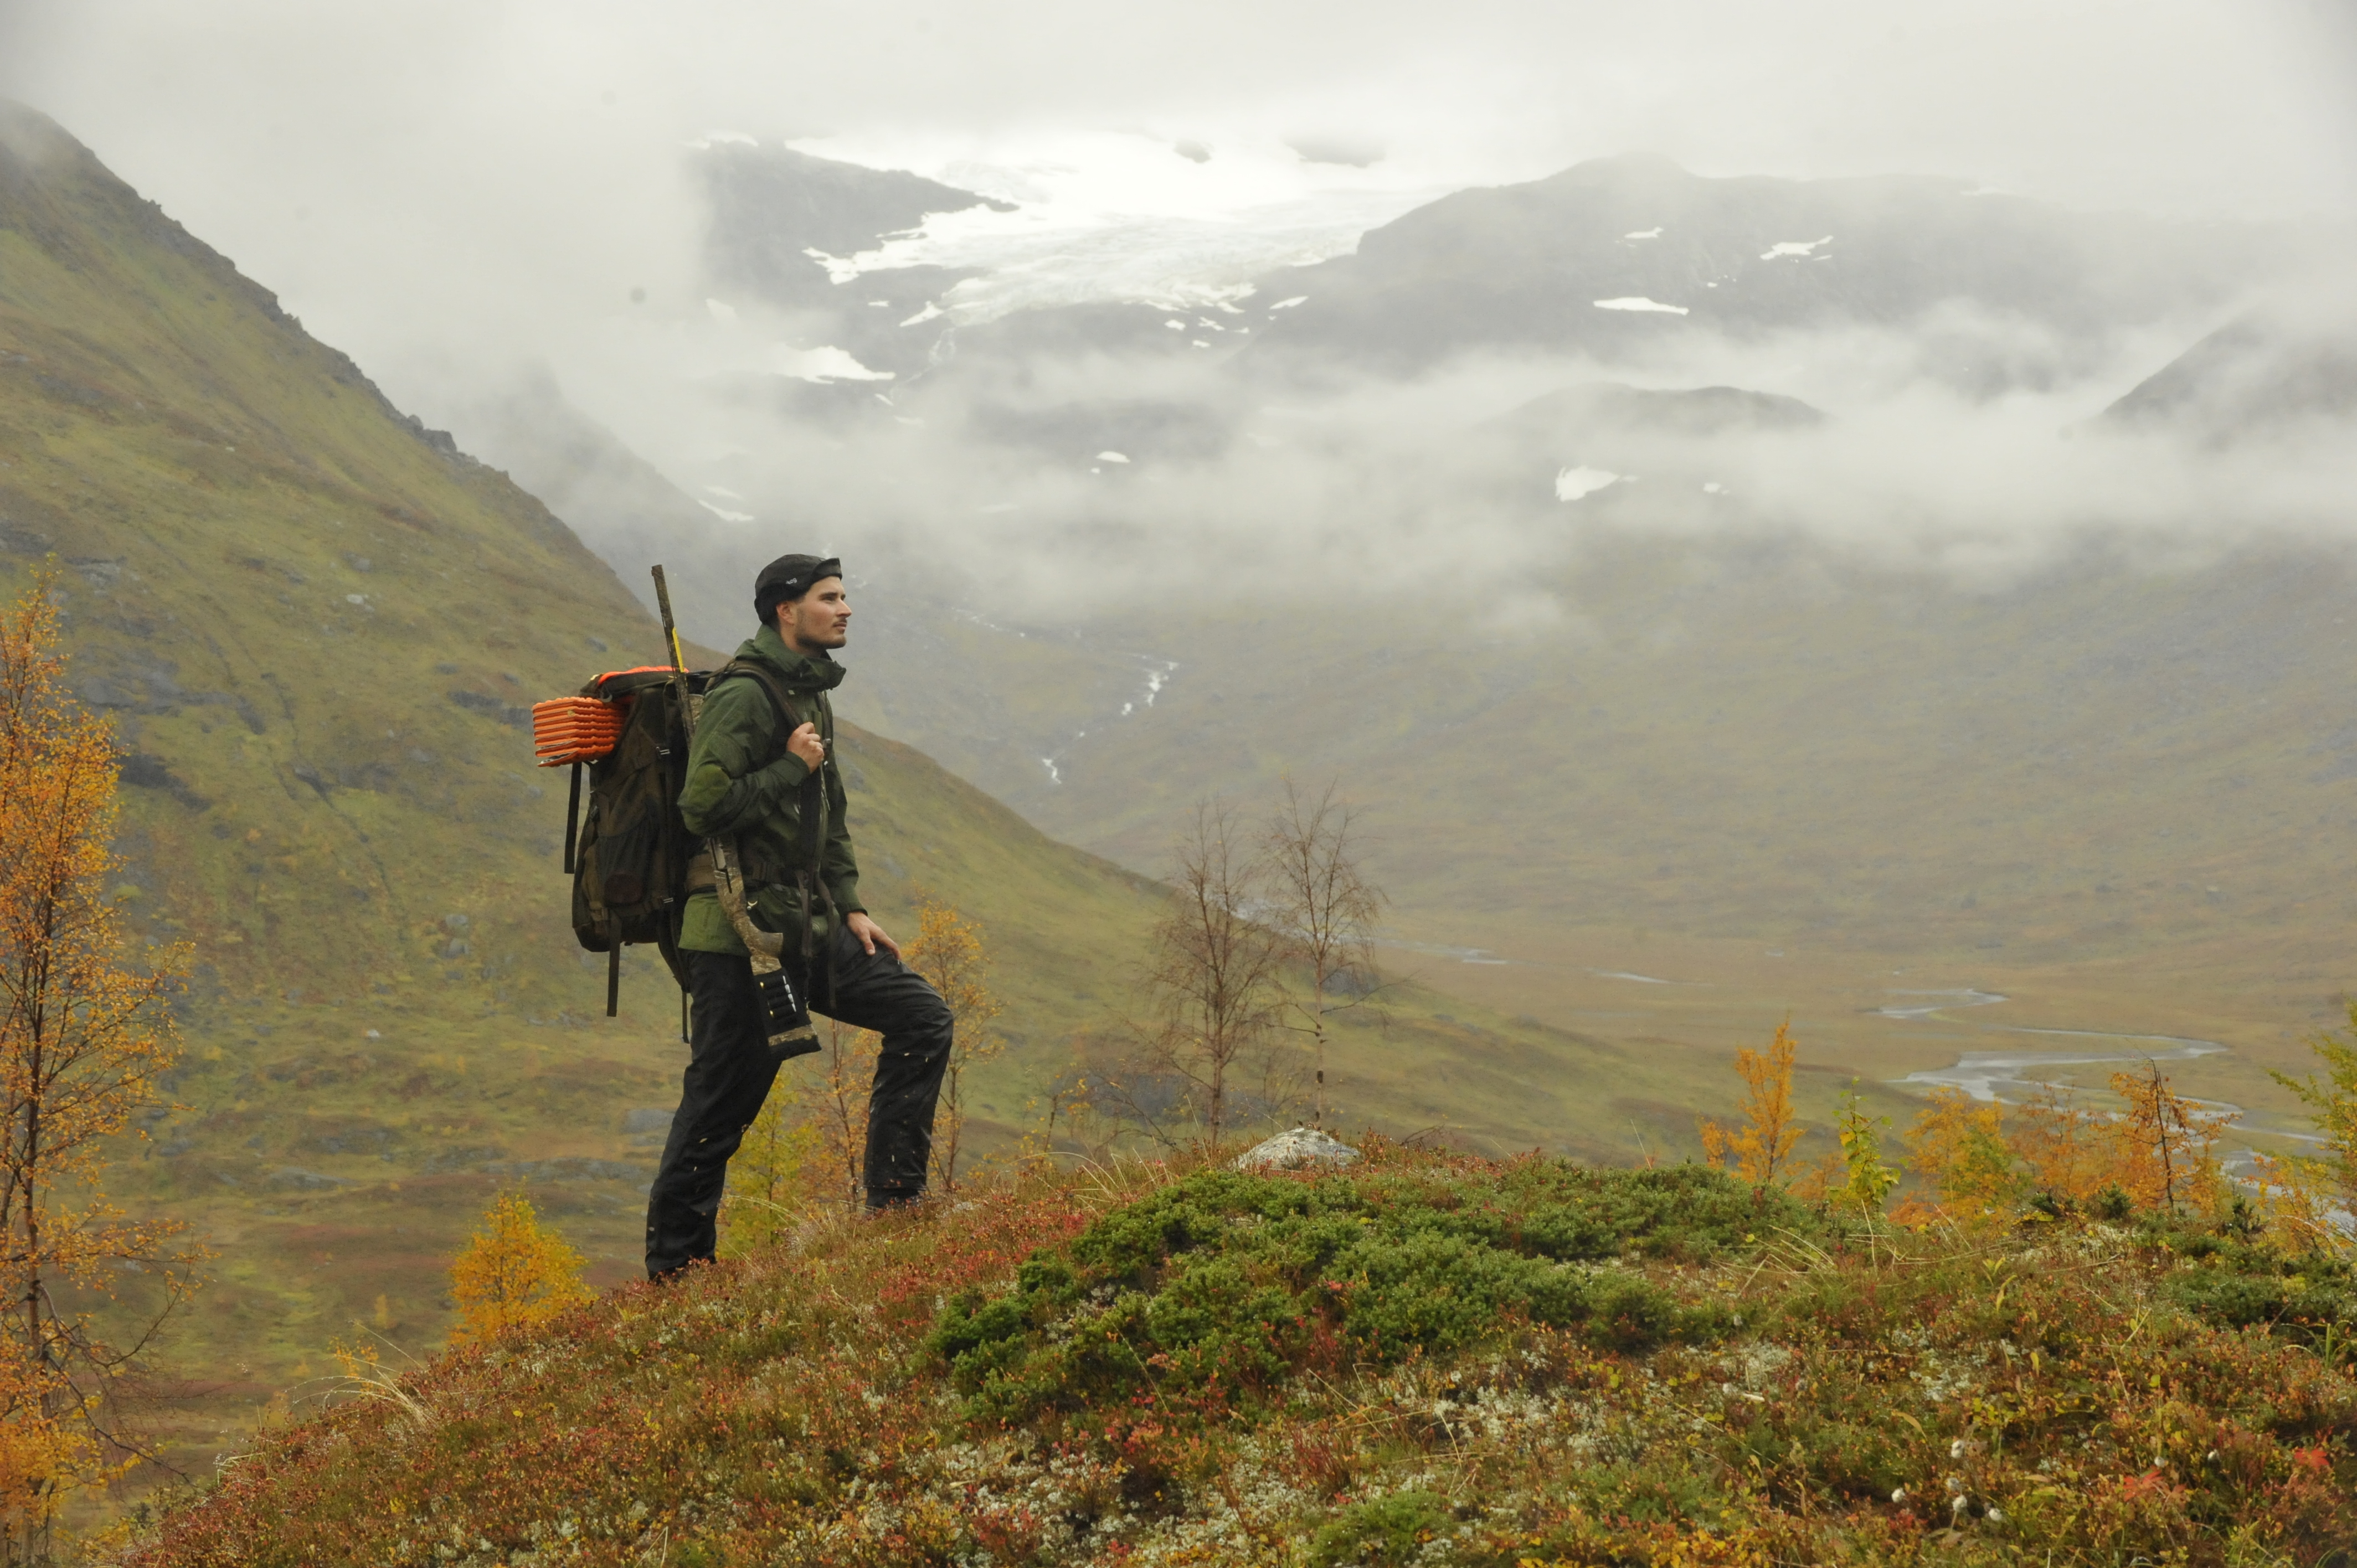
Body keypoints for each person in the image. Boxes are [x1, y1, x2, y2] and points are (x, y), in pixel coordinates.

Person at [644, 553, 953, 1279]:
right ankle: (676, 1273)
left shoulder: (809, 691)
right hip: (737, 935)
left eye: (844, 596)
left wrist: (853, 907)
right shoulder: (744, 697)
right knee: (720, 1105)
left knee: (922, 1018)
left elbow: (829, 814)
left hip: (811, 926)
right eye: (829, 598)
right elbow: (700, 807)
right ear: (787, 611)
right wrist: (789, 766)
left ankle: (895, 1207)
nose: (845, 609)